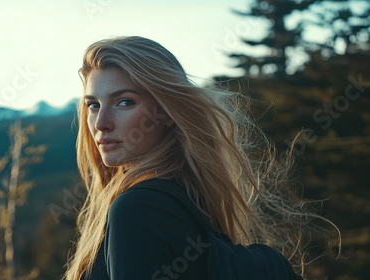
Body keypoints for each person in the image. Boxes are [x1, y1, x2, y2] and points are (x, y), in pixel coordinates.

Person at [63, 36, 339, 280]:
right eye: (93, 105)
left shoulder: (137, 208)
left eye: (125, 102)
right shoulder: (186, 198)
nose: (101, 123)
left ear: (168, 112)